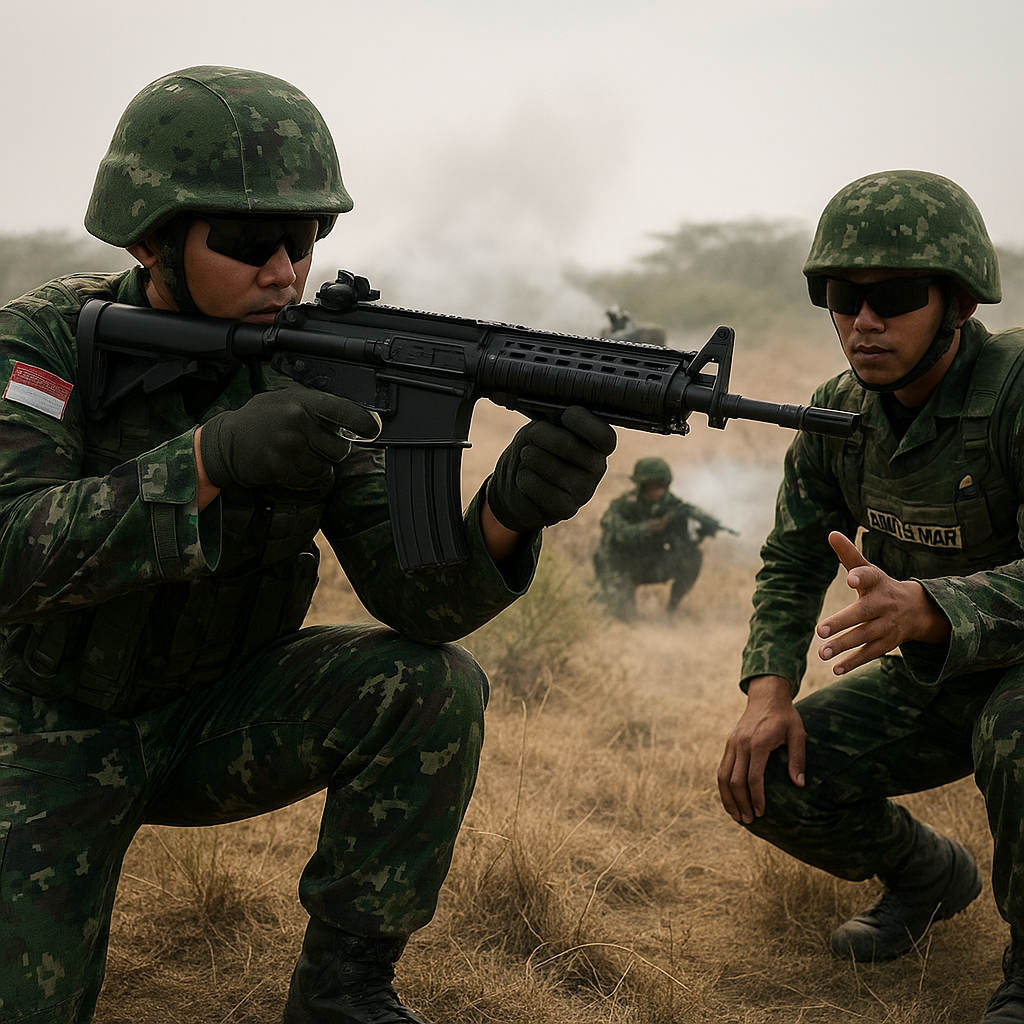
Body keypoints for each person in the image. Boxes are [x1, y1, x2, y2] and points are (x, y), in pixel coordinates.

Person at [0, 66, 617, 1024]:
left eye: (305, 239)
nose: (285, 271)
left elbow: (421, 602)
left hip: (215, 715)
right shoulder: (42, 347)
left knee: (431, 686)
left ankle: (343, 991)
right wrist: (203, 461)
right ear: (149, 238)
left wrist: (510, 511)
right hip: (41, 730)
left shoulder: (312, 356)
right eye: (249, 244)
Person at [717, 169, 1024, 1023]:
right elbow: (788, 558)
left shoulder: (1018, 391)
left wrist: (929, 609)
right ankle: (928, 877)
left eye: (893, 295)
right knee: (767, 775)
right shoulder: (838, 415)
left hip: (1018, 675)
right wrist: (769, 694)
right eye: (842, 295)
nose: (865, 321)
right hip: (930, 681)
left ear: (959, 302)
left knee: (1016, 733)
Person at [593, 457, 731, 620]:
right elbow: (616, 531)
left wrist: (703, 529)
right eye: (655, 486)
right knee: (623, 616)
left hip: (652, 564)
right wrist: (646, 527)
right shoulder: (624, 505)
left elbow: (688, 517)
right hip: (622, 567)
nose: (660, 491)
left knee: (693, 556)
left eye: (663, 486)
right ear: (643, 486)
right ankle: (605, 598)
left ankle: (672, 610)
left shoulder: (671, 505)